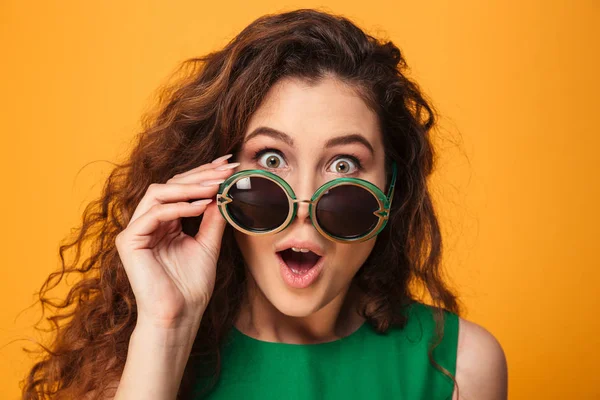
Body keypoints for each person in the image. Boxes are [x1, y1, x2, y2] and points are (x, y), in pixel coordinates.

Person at [20, 8, 508, 400]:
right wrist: (167, 330)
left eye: (343, 166)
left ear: (391, 189)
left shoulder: (460, 369)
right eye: (272, 159)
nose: (303, 208)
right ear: (216, 178)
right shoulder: (137, 362)